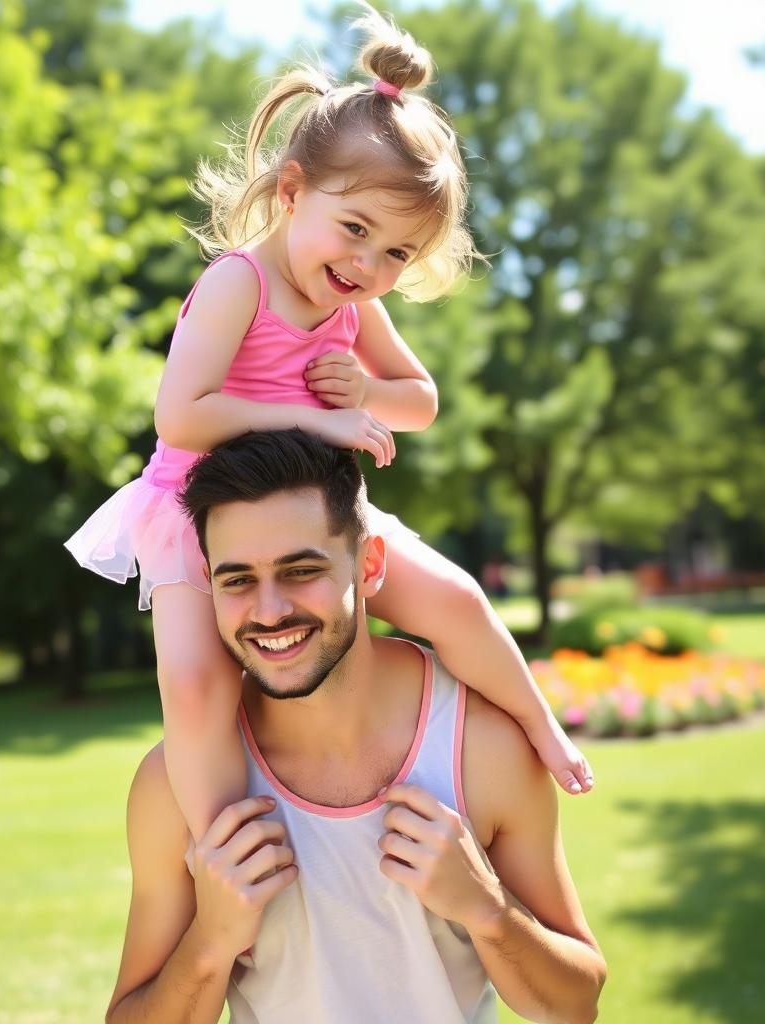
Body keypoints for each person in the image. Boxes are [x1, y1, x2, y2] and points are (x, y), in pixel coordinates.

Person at [66, 2, 592, 846]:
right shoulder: (242, 283)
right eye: (355, 231)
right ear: (291, 191)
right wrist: (322, 416)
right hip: (196, 511)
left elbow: (419, 399)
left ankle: (541, 727)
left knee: (454, 598)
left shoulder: (348, 301)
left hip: (307, 511)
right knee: (198, 688)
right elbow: (182, 415)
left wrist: (363, 396)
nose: (367, 267)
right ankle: (221, 858)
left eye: (396, 256)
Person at [105, 429, 606, 1024]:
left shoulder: (482, 745)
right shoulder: (174, 790)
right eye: (237, 580)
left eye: (299, 570)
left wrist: (486, 908)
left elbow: (575, 1005)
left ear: (367, 565)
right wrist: (210, 942)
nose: (268, 612)